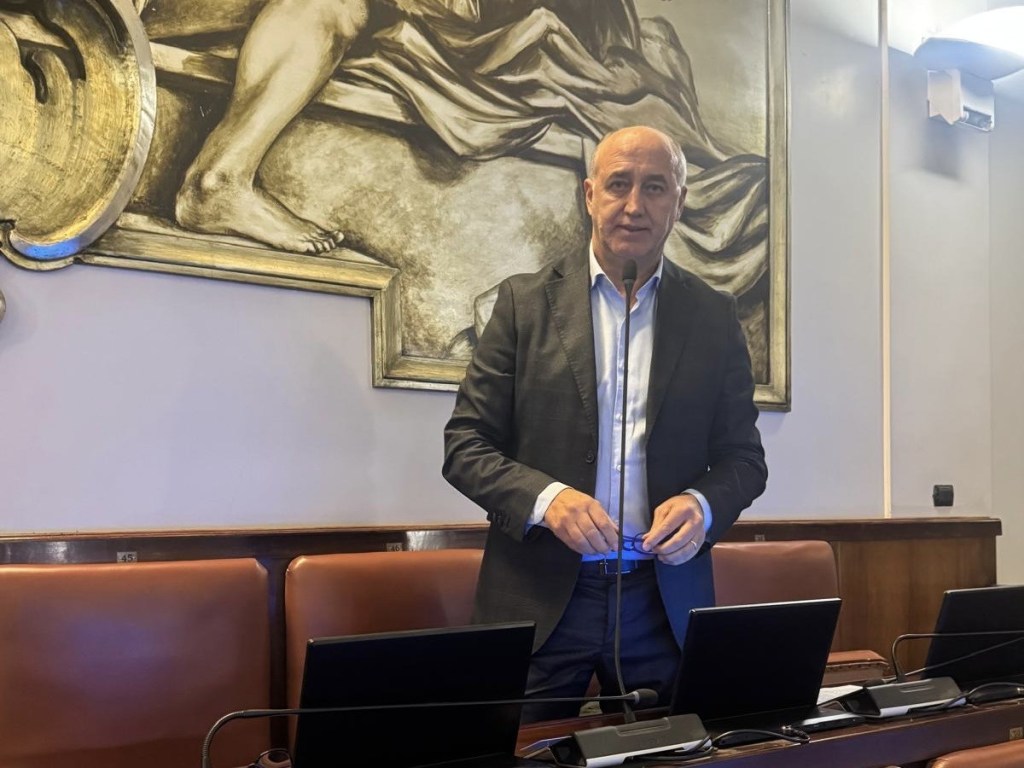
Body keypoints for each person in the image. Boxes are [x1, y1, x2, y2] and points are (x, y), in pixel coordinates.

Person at [442, 125, 767, 724]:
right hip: (540, 598)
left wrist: (701, 504)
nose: (634, 205)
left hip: (663, 602)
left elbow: (744, 459)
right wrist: (548, 500)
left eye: (655, 187)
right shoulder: (521, 305)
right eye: (619, 184)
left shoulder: (714, 317)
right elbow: (465, 445)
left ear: (679, 202)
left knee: (677, 756)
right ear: (590, 194)